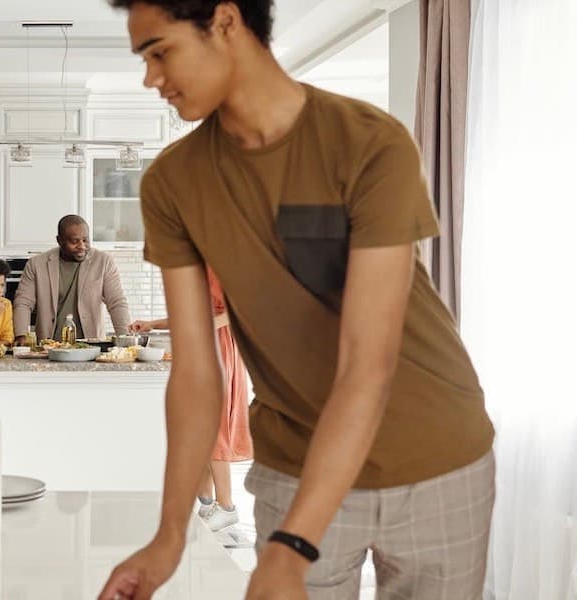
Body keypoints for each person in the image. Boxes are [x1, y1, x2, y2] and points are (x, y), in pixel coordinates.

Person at [100, 2, 495, 600]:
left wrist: (293, 546)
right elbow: (198, 374)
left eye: (160, 51)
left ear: (226, 21)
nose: (150, 78)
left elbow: (368, 362)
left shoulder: (368, 144)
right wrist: (170, 535)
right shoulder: (172, 183)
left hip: (436, 458)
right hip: (295, 460)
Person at [130, 268, 252, 533]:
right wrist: (154, 324)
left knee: (214, 427)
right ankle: (208, 504)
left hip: (220, 348)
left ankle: (227, 506)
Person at [12, 215, 131, 344]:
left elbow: (116, 302)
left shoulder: (103, 261)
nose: (82, 246)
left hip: (91, 346)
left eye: (85, 240)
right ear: (59, 241)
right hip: (49, 347)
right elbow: (23, 302)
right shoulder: (36, 264)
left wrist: (126, 338)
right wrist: (21, 334)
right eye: (75, 242)